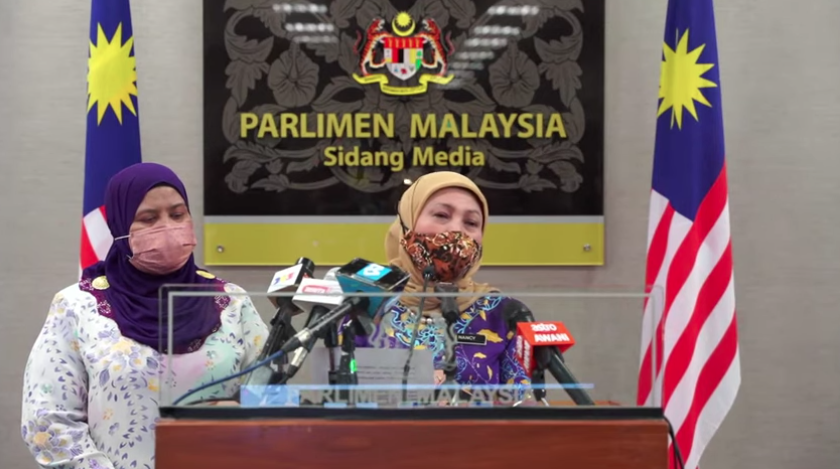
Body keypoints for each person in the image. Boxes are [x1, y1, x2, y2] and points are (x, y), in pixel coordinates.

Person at [20, 163, 268, 469]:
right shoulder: (77, 306)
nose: (168, 227)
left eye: (177, 215)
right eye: (149, 218)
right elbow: (48, 420)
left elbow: (271, 397)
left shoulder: (231, 302)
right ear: (121, 227)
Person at [345, 171, 531, 391]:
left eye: (471, 222)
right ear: (407, 223)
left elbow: (523, 403)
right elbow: (343, 396)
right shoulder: (366, 303)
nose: (456, 230)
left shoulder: (506, 314)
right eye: (442, 215)